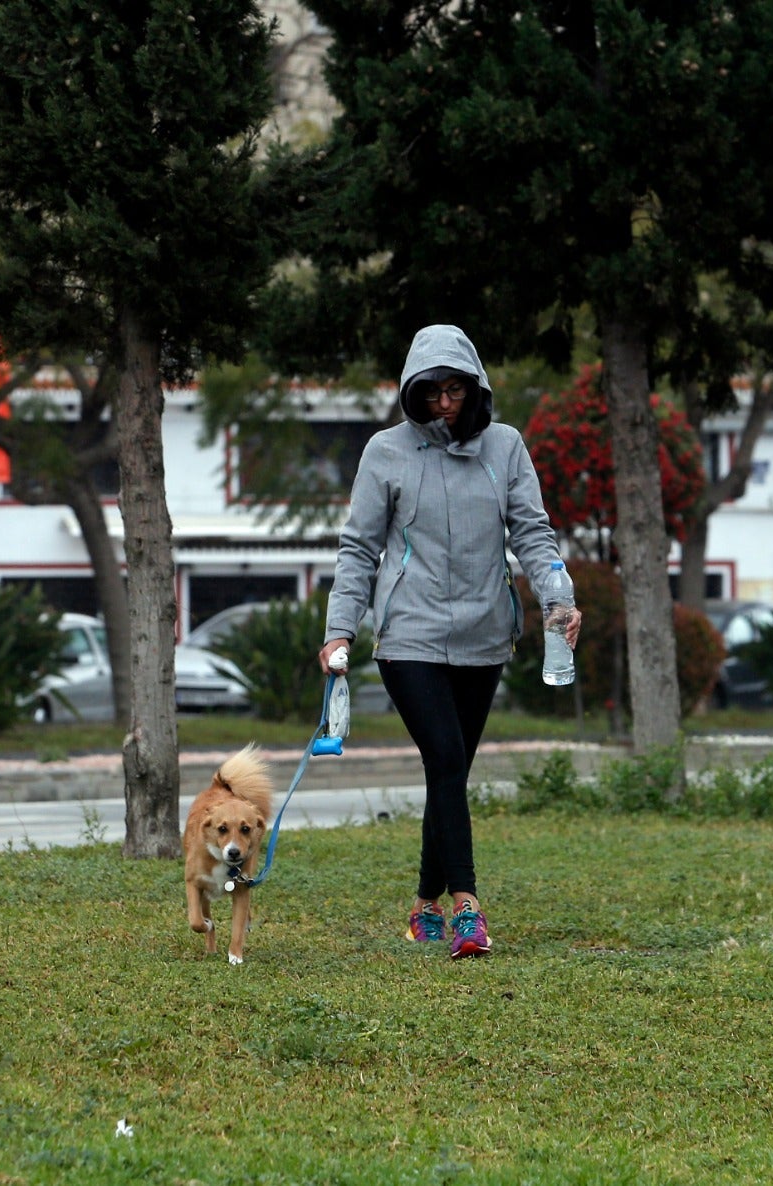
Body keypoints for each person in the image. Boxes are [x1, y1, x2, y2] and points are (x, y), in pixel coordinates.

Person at [319, 324, 582, 959]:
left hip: (485, 634)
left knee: (452, 772)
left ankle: (422, 905)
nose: (445, 404)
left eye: (456, 391)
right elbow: (358, 549)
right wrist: (339, 630)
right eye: (432, 391)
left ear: (474, 388)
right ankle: (467, 907)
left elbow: (533, 532)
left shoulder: (506, 447)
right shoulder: (385, 452)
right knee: (443, 759)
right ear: (413, 391)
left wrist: (559, 598)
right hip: (408, 634)